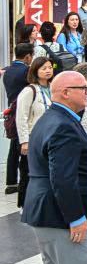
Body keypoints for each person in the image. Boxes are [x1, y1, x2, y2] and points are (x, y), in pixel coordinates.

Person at [22, 71, 87, 264]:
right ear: (64, 92)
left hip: (43, 213)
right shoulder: (64, 126)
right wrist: (76, 218)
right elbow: (62, 179)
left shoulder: (51, 119)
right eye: (82, 88)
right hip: (61, 217)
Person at [14, 57, 54, 208]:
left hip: (50, 137)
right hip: (33, 138)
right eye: (44, 68)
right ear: (35, 71)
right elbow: (21, 117)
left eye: (50, 67)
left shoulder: (53, 88)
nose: (48, 70)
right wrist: (24, 141)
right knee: (28, 172)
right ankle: (24, 205)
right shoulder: (29, 90)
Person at [3, 43, 34, 195]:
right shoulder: (26, 71)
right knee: (21, 148)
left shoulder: (8, 71)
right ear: (28, 56)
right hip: (23, 114)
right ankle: (21, 182)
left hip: (12, 112)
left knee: (13, 149)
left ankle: (10, 181)